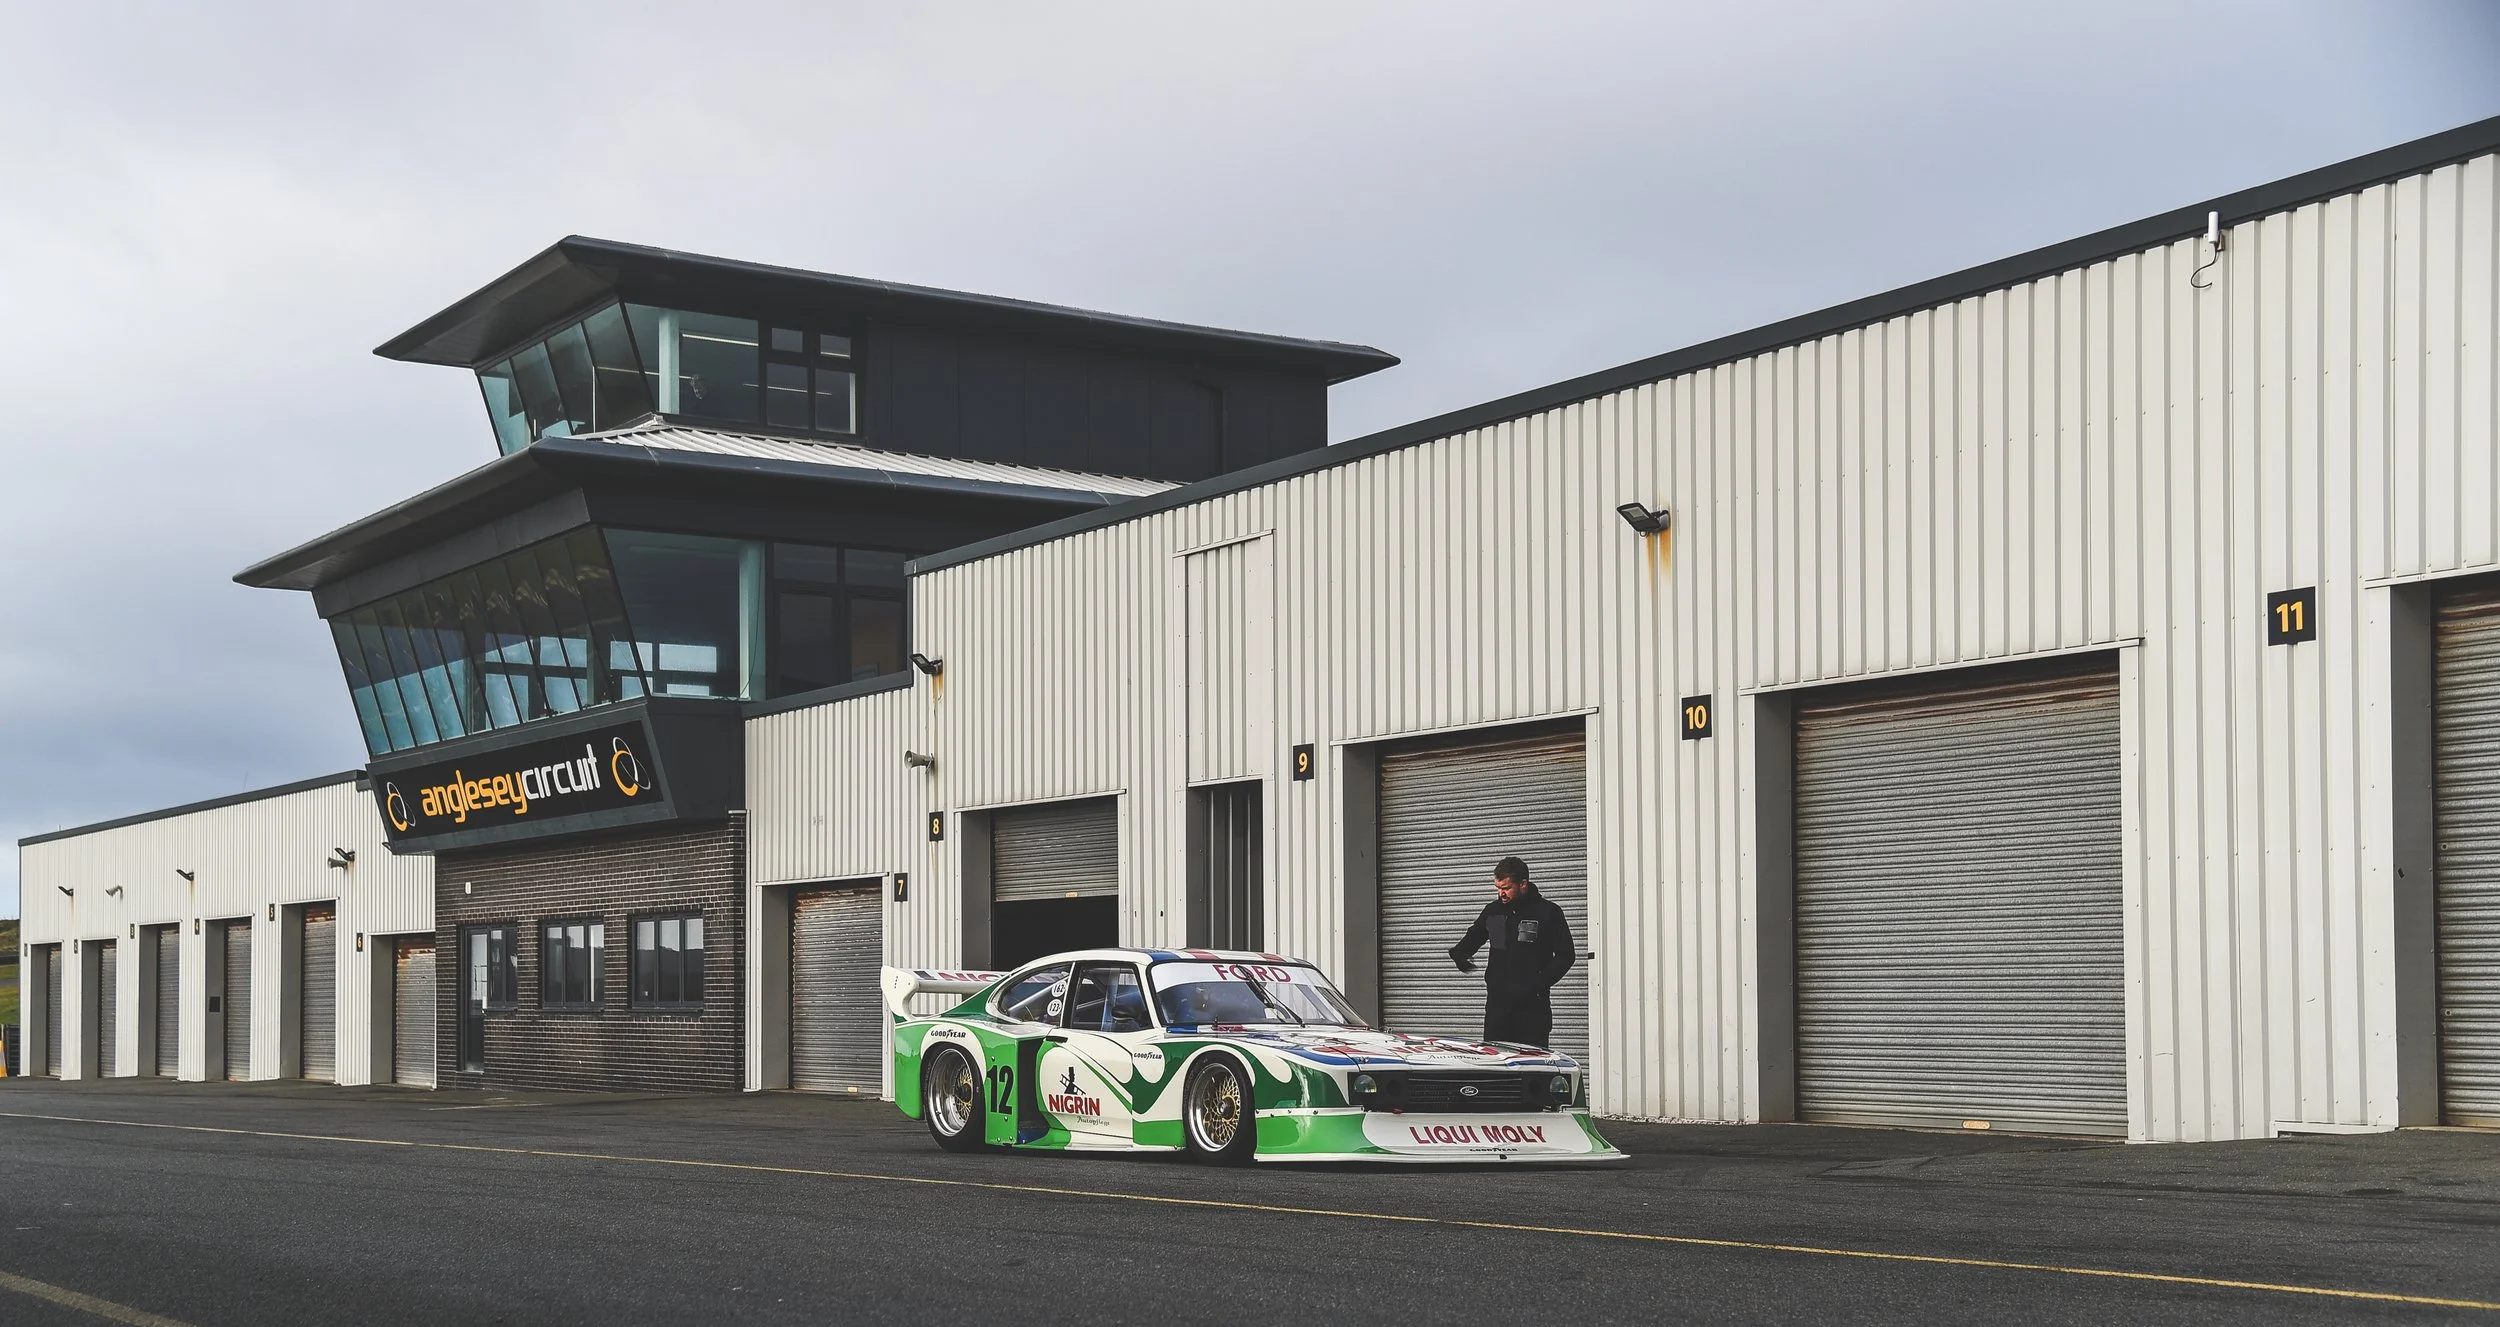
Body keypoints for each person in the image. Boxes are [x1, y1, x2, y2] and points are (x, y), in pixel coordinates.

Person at [1448, 855, 1575, 1048]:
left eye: (1506, 888)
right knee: (1495, 1060)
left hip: (1532, 1011)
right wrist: (1459, 954)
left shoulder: (1548, 912)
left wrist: (1538, 983)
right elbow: (1474, 936)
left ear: (1523, 884)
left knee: (1532, 1062)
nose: (1501, 894)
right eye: (1498, 888)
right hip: (1497, 1010)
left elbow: (1566, 955)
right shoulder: (1493, 912)